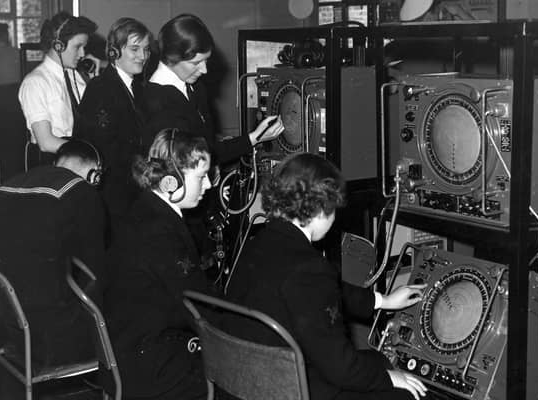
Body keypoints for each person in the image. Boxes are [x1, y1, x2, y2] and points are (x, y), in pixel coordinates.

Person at [224, 152, 429, 400]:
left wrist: (383, 301)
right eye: (333, 209)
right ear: (320, 209)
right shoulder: (309, 269)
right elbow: (340, 368)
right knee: (412, 394)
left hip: (246, 379)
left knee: (375, 358)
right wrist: (390, 378)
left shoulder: (259, 244)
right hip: (294, 389)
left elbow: (322, 292)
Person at [102, 128, 215, 399]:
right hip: (154, 369)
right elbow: (197, 305)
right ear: (170, 183)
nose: (209, 185)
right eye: (201, 176)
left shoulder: (144, 209)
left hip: (128, 351)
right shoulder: (161, 231)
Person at [0, 139, 105, 367]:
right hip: (54, 342)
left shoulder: (2, 190)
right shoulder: (80, 191)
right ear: (94, 175)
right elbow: (95, 271)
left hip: (12, 331)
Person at [146, 13, 284, 166]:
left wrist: (256, 136)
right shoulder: (156, 101)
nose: (204, 70)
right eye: (196, 62)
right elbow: (181, 167)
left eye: (205, 61)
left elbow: (210, 149)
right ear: (172, 58)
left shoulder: (195, 87)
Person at [75, 17, 153, 242]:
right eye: (135, 49)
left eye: (146, 50)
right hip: (112, 199)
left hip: (131, 192)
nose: (142, 56)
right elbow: (104, 148)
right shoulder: (101, 89)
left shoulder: (136, 86)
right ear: (114, 52)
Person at [18, 11, 98, 167]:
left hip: (79, 160)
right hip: (51, 165)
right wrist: (89, 153)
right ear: (58, 46)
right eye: (78, 47)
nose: (83, 54)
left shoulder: (78, 77)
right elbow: (46, 142)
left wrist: (95, 81)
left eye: (84, 47)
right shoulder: (36, 82)